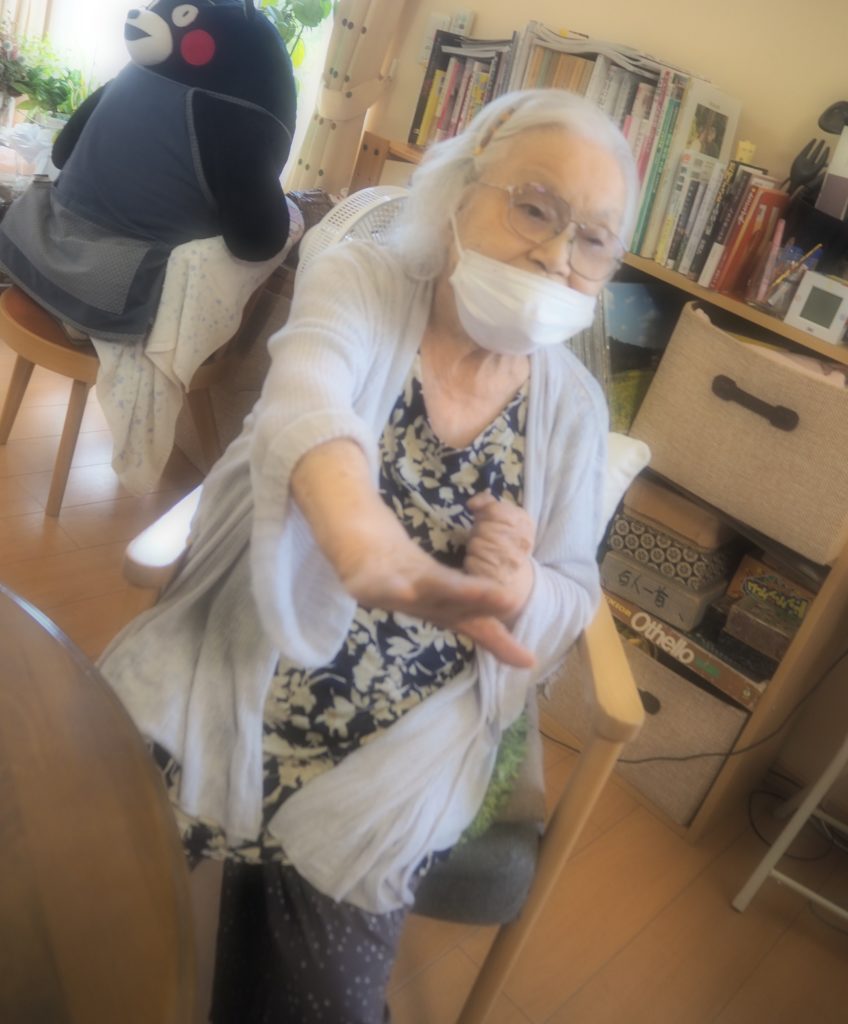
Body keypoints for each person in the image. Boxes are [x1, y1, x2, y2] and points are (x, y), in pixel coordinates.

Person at [98, 87, 638, 1023]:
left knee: (315, 1004)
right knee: (75, 913)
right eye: (535, 208)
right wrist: (361, 538)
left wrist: (522, 585)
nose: (558, 255)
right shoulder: (362, 280)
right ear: (460, 192)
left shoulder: (575, 411)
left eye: (593, 240)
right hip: (243, 644)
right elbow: (306, 397)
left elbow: (572, 589)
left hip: (404, 735)